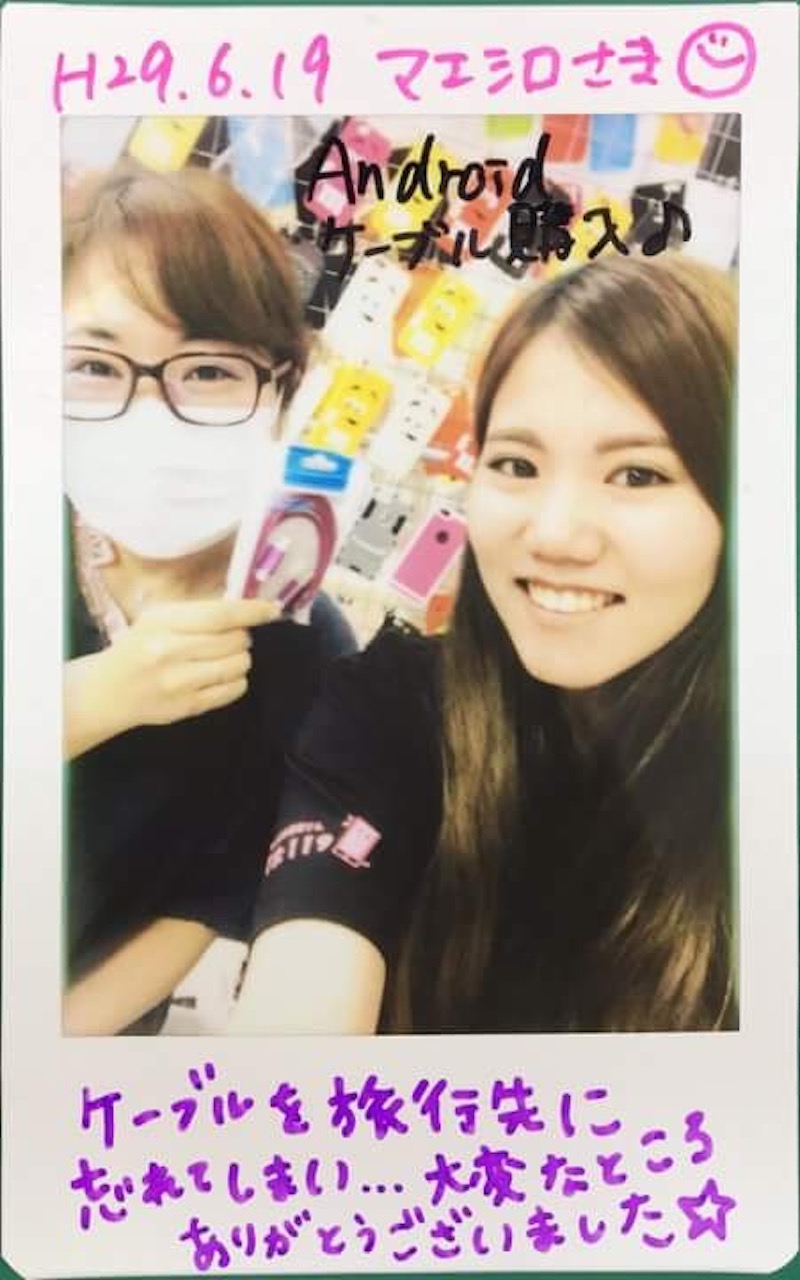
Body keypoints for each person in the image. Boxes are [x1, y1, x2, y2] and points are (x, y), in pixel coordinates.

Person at [230, 252, 737, 1036]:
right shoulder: (391, 709)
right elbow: (300, 1000)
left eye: (637, 475)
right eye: (516, 464)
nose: (555, 534)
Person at [63, 160, 354, 1035]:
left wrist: (48, 1045)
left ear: (281, 388)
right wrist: (83, 705)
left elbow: (208, 898)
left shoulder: (303, 640)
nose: (151, 408)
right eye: (95, 364)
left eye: (211, 369)